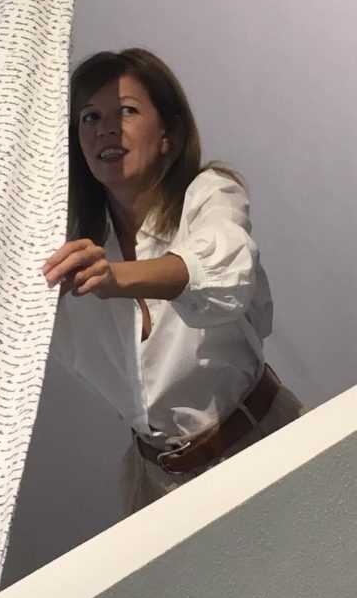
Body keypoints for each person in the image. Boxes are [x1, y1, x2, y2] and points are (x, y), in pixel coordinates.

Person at [42, 47, 304, 515]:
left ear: (169, 134)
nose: (106, 128)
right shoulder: (67, 242)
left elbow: (225, 268)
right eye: (90, 117)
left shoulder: (209, 193)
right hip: (153, 483)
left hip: (259, 445)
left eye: (127, 111)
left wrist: (117, 277)